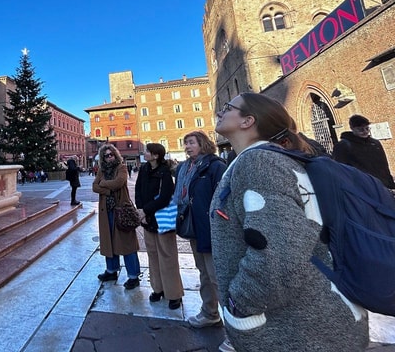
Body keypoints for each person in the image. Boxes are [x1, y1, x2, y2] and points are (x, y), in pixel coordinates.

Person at [210, 93, 369, 352]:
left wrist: (240, 306)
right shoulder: (273, 158)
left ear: (248, 121)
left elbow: (279, 252)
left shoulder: (259, 162)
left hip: (298, 327)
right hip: (316, 319)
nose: (220, 112)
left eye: (228, 108)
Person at [175, 132, 227, 334]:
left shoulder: (215, 166)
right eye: (185, 143)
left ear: (202, 144)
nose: (187, 147)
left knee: (217, 277)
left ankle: (236, 329)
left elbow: (224, 199)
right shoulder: (183, 168)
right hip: (194, 226)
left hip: (211, 228)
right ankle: (210, 313)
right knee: (204, 273)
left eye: (191, 143)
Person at [134, 143, 183, 309]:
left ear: (156, 155)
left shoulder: (164, 172)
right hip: (147, 219)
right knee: (153, 255)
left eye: (148, 151)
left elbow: (164, 197)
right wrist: (140, 210)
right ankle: (158, 289)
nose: (145, 153)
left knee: (167, 256)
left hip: (161, 219)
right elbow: (138, 190)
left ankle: (174, 294)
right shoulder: (144, 169)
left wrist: (145, 211)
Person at [92, 144, 141, 289]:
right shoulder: (102, 169)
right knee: (109, 242)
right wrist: (107, 191)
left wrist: (104, 184)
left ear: (115, 155)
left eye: (111, 154)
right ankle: (111, 270)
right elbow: (95, 186)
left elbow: (119, 183)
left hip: (121, 210)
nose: (109, 158)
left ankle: (133, 275)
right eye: (106, 156)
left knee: (126, 243)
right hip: (106, 211)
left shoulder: (122, 167)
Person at [333, 114, 395, 189]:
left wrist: (389, 182)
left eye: (367, 128)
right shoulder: (343, 146)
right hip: (362, 187)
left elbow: (384, 165)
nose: (365, 131)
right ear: (352, 128)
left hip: (383, 185)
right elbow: (341, 169)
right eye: (361, 129)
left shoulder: (375, 143)